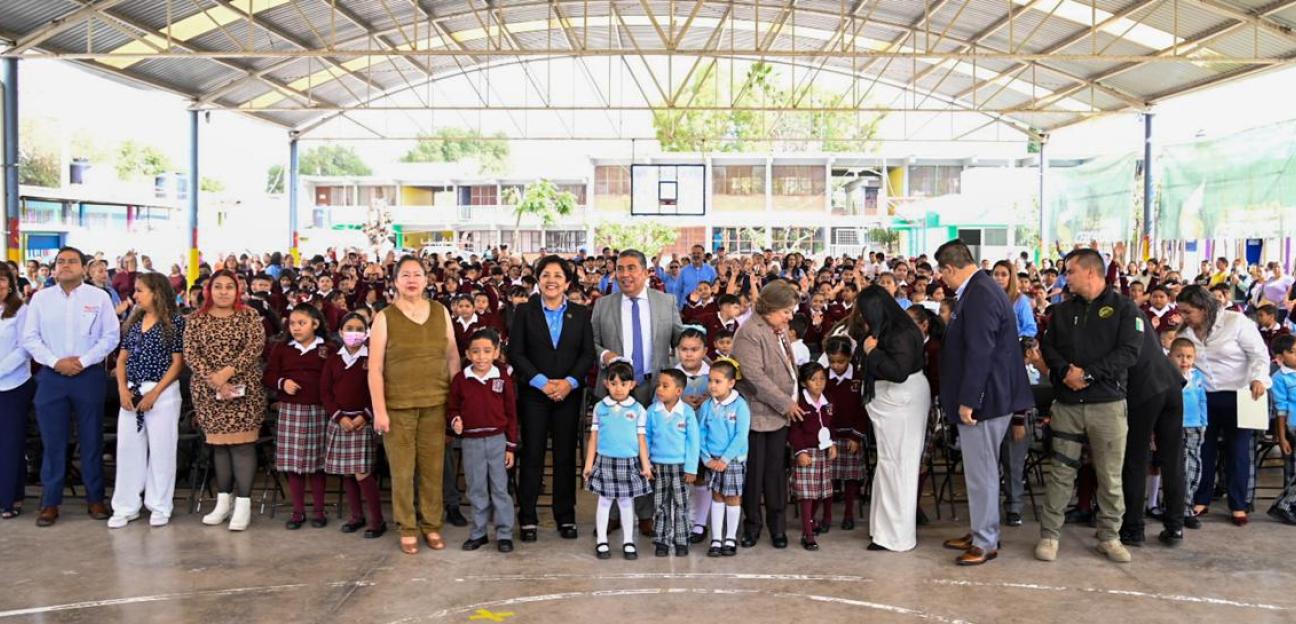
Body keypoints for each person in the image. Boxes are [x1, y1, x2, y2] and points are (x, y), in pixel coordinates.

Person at [1038, 248, 1143, 563]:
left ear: (1090, 272)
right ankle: (1049, 535)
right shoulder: (1061, 311)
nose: (1065, 278)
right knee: (1060, 472)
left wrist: (1089, 373)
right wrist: (1065, 372)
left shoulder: (1125, 309)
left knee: (1110, 475)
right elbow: (1049, 346)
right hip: (1068, 403)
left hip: (1107, 405)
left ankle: (1109, 536)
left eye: (1070, 271)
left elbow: (1129, 352)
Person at [935, 239, 1033, 566]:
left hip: (985, 399)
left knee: (982, 472)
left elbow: (981, 352)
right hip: (989, 396)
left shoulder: (979, 294)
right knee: (982, 469)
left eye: (942, 272)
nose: (942, 279)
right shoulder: (980, 289)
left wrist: (968, 401)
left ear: (950, 268)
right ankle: (981, 529)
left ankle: (985, 540)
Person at [21, 246, 120, 527]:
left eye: (72, 261)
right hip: (52, 378)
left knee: (91, 440)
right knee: (53, 443)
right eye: (61, 262)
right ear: (53, 268)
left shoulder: (98, 298)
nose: (66, 266)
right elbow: (30, 338)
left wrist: (83, 361)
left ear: (83, 268)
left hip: (88, 376)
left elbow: (110, 337)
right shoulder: (40, 299)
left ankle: (95, 498)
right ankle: (50, 502)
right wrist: (55, 362)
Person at [370, 255, 460, 555]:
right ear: (395, 281)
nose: (411, 279)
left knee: (433, 470)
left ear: (426, 279)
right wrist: (379, 410)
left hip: (436, 404)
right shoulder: (385, 317)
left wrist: (456, 404)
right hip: (398, 408)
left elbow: (452, 358)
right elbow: (375, 369)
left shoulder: (440, 311)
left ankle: (432, 524)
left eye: (417, 274)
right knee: (402, 471)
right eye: (405, 274)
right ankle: (407, 527)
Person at [592, 249, 683, 536]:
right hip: (616, 390)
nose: (625, 274)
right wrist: (606, 355)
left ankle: (645, 514)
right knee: (613, 450)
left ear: (646, 272)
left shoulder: (666, 302)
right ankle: (614, 511)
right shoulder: (603, 305)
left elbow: (681, 338)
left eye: (632, 268)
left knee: (648, 451)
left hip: (654, 388)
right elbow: (590, 343)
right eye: (620, 269)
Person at [508, 255, 595, 543]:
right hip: (535, 395)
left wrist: (569, 383)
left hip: (568, 396)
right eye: (546, 275)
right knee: (532, 455)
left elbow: (587, 355)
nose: (552, 280)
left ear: (567, 282)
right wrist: (543, 383)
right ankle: (528, 517)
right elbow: (516, 354)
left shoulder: (581, 314)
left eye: (558, 275)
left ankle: (565, 515)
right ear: (538, 279)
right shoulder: (524, 311)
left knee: (565, 455)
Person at [842, 285, 929, 553]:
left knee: (898, 468)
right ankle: (883, 531)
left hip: (901, 402)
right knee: (889, 466)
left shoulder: (900, 332)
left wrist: (871, 352)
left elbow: (898, 371)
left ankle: (896, 536)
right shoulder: (892, 327)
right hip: (895, 403)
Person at [1176, 284, 1270, 526]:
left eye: (1188, 312)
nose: (1184, 317)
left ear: (1204, 308)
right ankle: (1201, 498)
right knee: (1202, 450)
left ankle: (1238, 504)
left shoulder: (1236, 322)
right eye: (1182, 312)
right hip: (1203, 397)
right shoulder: (1185, 333)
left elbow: (1259, 354)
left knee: (1237, 450)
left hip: (1239, 394)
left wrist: (1259, 378)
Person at [188, 270, 267, 532]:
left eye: (229, 287)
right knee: (219, 446)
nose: (223, 291)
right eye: (218, 286)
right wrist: (215, 380)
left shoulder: (249, 315)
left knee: (242, 446)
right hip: (208, 391)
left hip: (245, 391)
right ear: (209, 290)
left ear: (238, 290)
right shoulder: (196, 320)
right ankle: (223, 502)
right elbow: (191, 353)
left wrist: (227, 373)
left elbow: (255, 347)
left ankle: (243, 505)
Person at [109, 273, 186, 529]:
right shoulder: (134, 321)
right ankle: (126, 505)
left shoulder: (174, 322)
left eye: (140, 290)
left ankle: (160, 505)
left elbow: (177, 364)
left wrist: (155, 393)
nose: (135, 295)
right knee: (129, 450)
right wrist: (122, 388)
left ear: (157, 292)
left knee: (162, 450)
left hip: (161, 392)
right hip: (132, 392)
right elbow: (121, 360)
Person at [731, 281, 800, 549]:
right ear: (770, 308)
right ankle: (752, 526)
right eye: (786, 311)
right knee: (755, 475)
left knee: (776, 474)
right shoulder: (750, 332)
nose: (789, 317)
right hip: (758, 414)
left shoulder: (778, 330)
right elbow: (754, 377)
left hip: (779, 417)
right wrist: (786, 403)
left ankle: (778, 527)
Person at [1120, 306, 1187, 548]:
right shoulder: (1135, 313)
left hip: (1145, 389)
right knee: (1173, 458)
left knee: (1136, 459)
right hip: (1171, 382)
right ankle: (1175, 527)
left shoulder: (1113, 316)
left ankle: (1134, 528)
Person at [449, 328, 519, 553]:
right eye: (476, 352)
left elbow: (511, 413)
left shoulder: (502, 377)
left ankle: (504, 533)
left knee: (499, 487)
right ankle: (478, 533)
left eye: (487, 351)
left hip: (498, 440)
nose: (481, 356)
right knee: (476, 488)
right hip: (471, 442)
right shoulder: (461, 379)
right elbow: (452, 408)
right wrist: (454, 420)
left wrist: (510, 445)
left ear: (496, 352)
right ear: (468, 354)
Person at [264, 305, 332, 530]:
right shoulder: (282, 349)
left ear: (315, 324)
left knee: (317, 463)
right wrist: (283, 383)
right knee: (294, 464)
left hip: (319, 410)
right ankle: (297, 511)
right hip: (292, 410)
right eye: (292, 323)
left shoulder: (328, 348)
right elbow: (269, 375)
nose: (296, 328)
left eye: (301, 323)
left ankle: (319, 511)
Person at [322, 312, 385, 539]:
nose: (354, 333)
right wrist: (339, 416)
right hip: (341, 422)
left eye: (360, 328)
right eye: (349, 328)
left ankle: (377, 520)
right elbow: (326, 393)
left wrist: (366, 415)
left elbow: (378, 389)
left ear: (367, 332)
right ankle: (356, 516)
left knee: (362, 472)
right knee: (347, 473)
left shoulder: (372, 359)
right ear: (340, 332)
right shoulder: (333, 360)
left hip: (362, 422)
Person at [582, 361, 653, 561]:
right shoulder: (600, 407)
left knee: (626, 502)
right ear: (606, 384)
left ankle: (628, 541)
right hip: (605, 461)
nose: (618, 388)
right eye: (613, 384)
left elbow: (641, 440)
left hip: (629, 462)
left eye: (623, 383)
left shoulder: (639, 409)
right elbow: (593, 438)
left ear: (632, 385)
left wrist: (645, 465)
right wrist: (589, 465)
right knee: (604, 502)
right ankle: (602, 541)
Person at [697, 359, 750, 557]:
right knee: (716, 497)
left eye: (718, 381)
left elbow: (740, 435)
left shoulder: (740, 405)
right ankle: (716, 538)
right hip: (712, 460)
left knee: (733, 498)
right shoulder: (707, 406)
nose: (712, 385)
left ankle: (730, 538)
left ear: (731, 383)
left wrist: (725, 459)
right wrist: (706, 458)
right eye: (710, 381)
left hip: (733, 461)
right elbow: (700, 433)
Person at [645, 368, 700, 557]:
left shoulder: (687, 412)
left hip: (681, 467)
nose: (659, 389)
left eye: (665, 386)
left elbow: (693, 442)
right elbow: (647, 438)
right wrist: (647, 463)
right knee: (660, 504)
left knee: (681, 504)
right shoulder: (652, 412)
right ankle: (662, 540)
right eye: (658, 385)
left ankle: (681, 540)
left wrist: (692, 468)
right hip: (658, 466)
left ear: (678, 391)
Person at [788, 362, 837, 551]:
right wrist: (800, 451)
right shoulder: (799, 402)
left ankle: (810, 520)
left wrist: (832, 442)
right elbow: (794, 430)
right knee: (806, 494)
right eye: (813, 379)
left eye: (822, 379)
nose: (819, 383)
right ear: (803, 382)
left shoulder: (829, 401)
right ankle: (807, 534)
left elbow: (830, 425)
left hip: (823, 451)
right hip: (806, 453)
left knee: (820, 492)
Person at [674, 327, 713, 543]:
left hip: (705, 439)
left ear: (704, 351)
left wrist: (710, 398)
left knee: (700, 478)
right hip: (677, 440)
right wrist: (678, 401)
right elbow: (656, 403)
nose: (689, 354)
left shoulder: (713, 375)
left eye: (694, 349)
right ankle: (680, 519)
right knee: (679, 479)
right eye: (684, 349)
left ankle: (700, 523)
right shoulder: (671, 375)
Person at [0, 268, 34, 519]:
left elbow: (25, 348)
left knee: (10, 444)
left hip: (13, 384)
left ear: (10, 284)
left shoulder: (21, 311)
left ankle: (9, 499)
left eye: (1, 280)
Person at [822, 336, 866, 531]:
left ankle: (849, 514)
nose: (836, 366)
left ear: (850, 358)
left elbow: (863, 409)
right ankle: (827, 516)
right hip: (828, 436)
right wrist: (825, 437)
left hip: (851, 435)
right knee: (828, 478)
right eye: (832, 361)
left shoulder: (859, 377)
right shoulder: (822, 377)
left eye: (841, 361)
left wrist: (856, 436)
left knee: (850, 477)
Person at [1170, 338, 1209, 530]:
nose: (1184, 360)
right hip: (1175, 426)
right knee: (1178, 468)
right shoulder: (1168, 376)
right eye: (1179, 356)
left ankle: (1187, 506)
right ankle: (1176, 508)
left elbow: (1203, 401)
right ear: (1170, 356)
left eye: (1188, 357)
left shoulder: (1198, 377)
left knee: (1194, 467)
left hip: (1195, 427)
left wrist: (1204, 423)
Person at [992, 260, 1038, 338]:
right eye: (996, 274)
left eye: (1004, 275)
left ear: (1011, 277)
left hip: (1012, 346)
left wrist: (1015, 339)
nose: (999, 278)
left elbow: (1030, 329)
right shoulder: (987, 299)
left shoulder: (1021, 300)